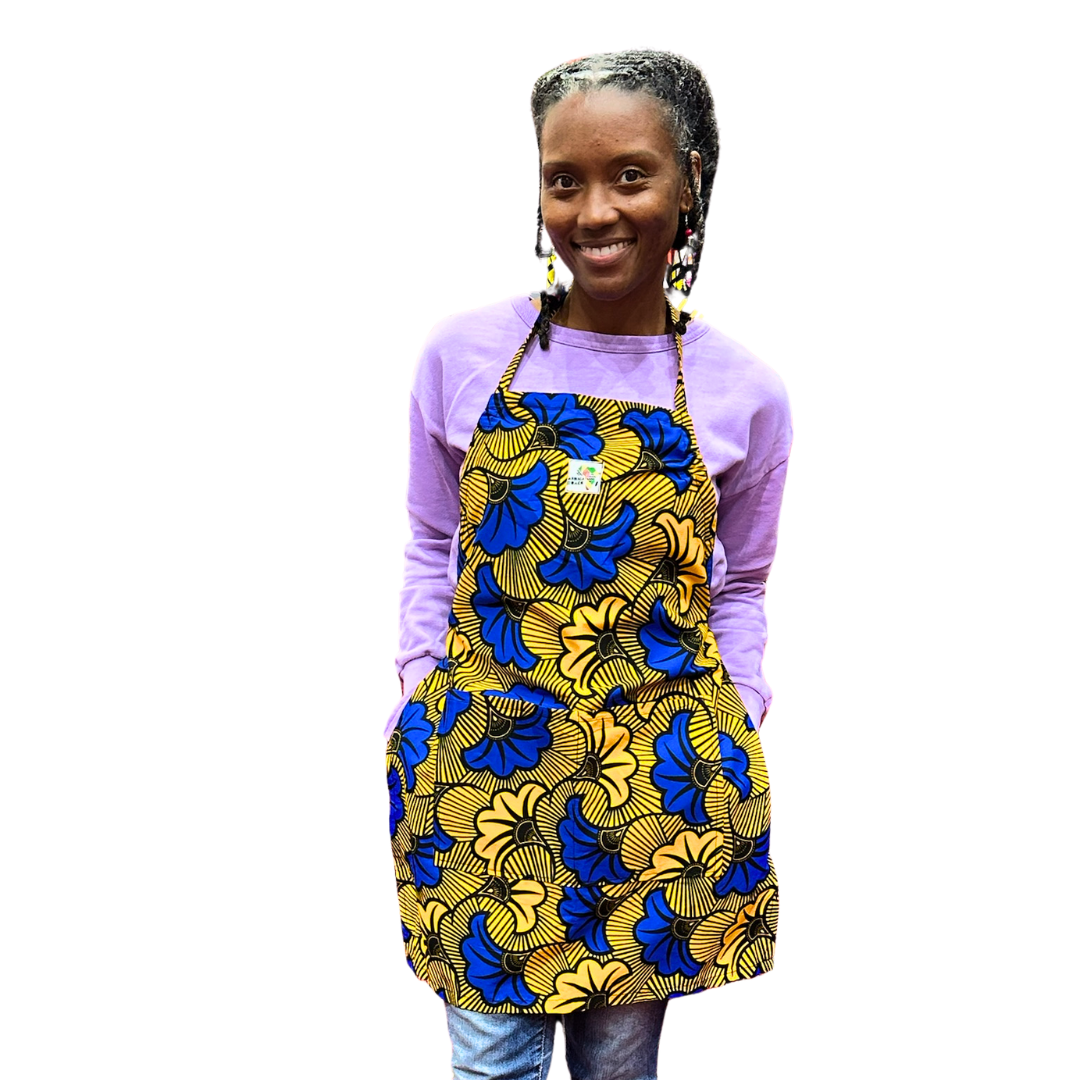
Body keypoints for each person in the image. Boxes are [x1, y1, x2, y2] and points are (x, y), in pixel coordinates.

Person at [385, 50, 791, 1080]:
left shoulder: (744, 391)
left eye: (629, 176)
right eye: (564, 180)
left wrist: (739, 708)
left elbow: (743, 582)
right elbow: (431, 540)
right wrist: (419, 686)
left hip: (652, 782)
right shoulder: (462, 355)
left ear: (689, 182)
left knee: (615, 1070)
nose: (594, 210)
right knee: (491, 1066)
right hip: (483, 766)